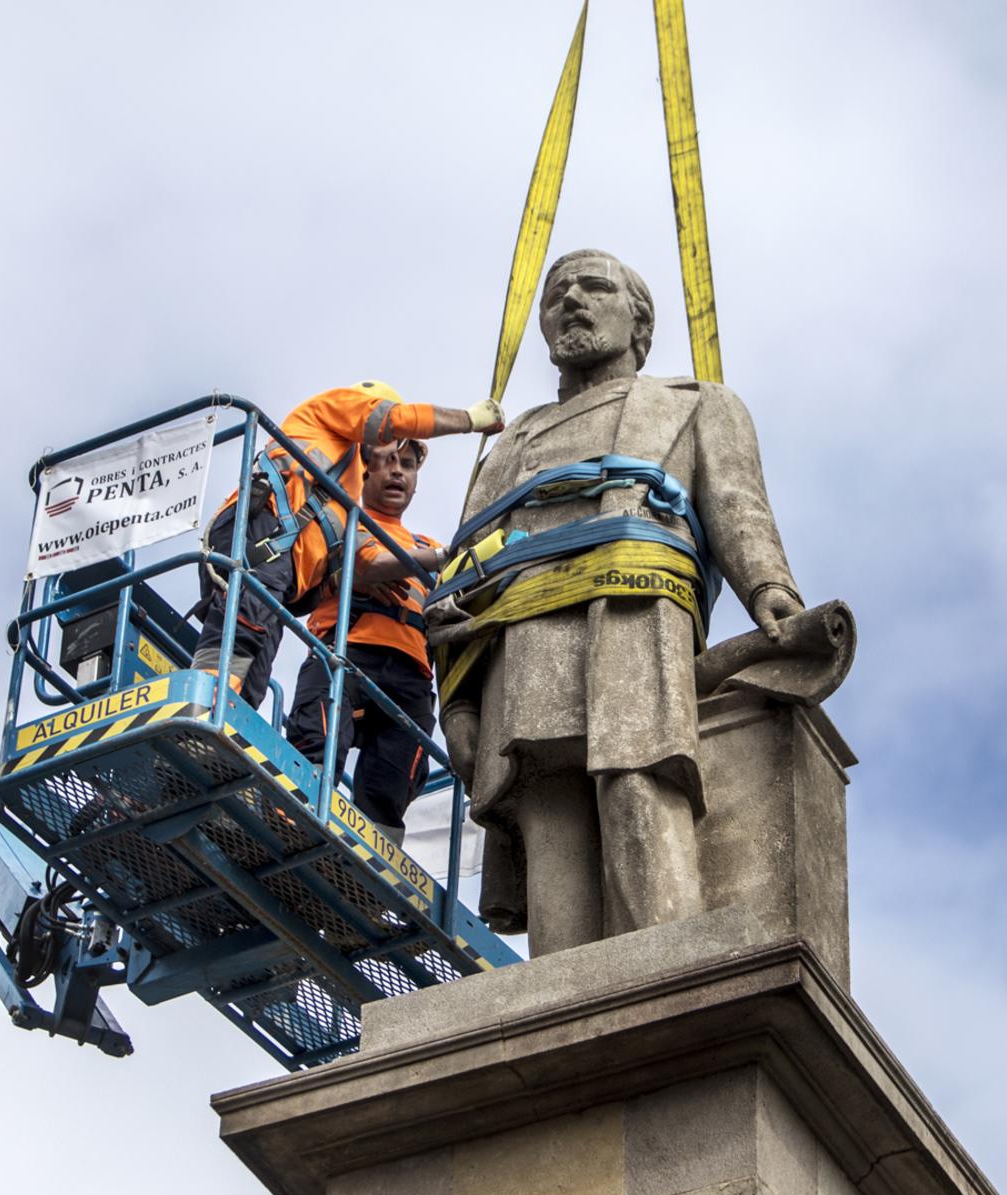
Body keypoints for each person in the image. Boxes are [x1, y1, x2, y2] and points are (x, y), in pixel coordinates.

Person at [433, 249, 804, 956]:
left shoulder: (695, 404)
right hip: (522, 640)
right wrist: (457, 702)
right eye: (556, 293)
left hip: (634, 615)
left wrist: (770, 589)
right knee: (549, 812)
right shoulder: (510, 446)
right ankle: (563, 986)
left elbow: (735, 504)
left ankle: (664, 962)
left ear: (639, 321)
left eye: (592, 286)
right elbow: (460, 580)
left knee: (638, 782)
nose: (570, 300)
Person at [190, 381, 501, 706]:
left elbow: (338, 562)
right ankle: (205, 704)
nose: (393, 449)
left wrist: (347, 579)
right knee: (246, 618)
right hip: (259, 532)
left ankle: (230, 718)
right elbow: (393, 419)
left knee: (262, 645)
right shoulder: (334, 412)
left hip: (279, 568)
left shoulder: (349, 490)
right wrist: (470, 419)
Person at [284, 438, 446, 845]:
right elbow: (364, 561)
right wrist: (447, 558)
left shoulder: (427, 547)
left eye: (407, 465)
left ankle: (370, 879)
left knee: (389, 790)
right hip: (345, 654)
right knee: (316, 748)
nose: (397, 472)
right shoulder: (342, 525)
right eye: (387, 463)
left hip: (410, 678)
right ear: (365, 471)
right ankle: (290, 835)